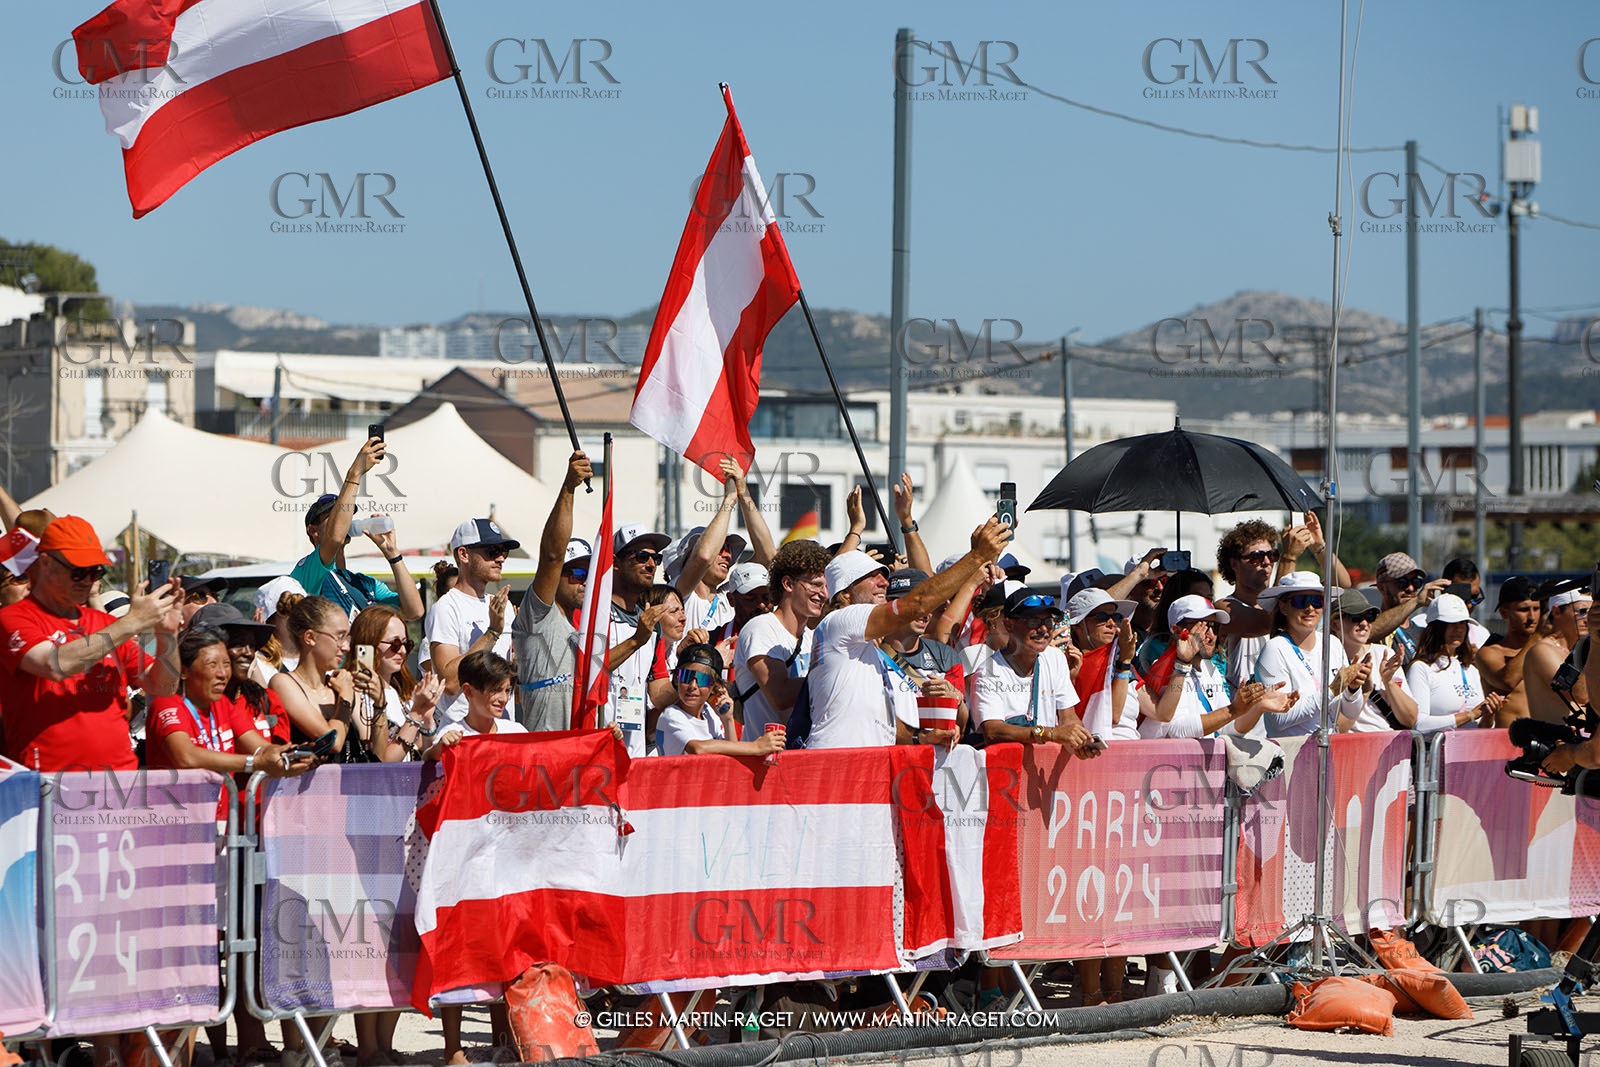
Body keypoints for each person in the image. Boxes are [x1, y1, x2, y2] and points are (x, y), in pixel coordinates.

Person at [0, 515, 182, 771]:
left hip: (118, 781)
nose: (87, 580)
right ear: (46, 564)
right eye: (78, 571)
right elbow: (53, 663)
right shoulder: (13, 617)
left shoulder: (106, 624)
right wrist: (131, 622)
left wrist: (168, 637)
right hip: (48, 785)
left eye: (94, 571)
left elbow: (163, 687)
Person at [421, 649, 519, 1065]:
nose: (502, 697)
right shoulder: (453, 733)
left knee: (504, 948)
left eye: (507, 689)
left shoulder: (516, 730)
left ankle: (504, 1035)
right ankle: (452, 1047)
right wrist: (438, 745)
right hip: (463, 859)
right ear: (468, 691)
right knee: (458, 949)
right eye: (494, 689)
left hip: (508, 858)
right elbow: (426, 758)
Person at [288, 436, 423, 622]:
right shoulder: (309, 570)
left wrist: (393, 554)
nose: (344, 520)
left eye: (346, 515)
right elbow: (334, 538)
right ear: (313, 530)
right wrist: (356, 472)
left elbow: (414, 611)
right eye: (333, 516)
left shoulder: (365, 584)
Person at [511, 451, 591, 731]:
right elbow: (553, 555)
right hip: (542, 756)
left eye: (588, 574)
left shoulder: (582, 626)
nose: (584, 581)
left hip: (578, 755)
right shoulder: (537, 614)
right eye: (577, 573)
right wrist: (569, 488)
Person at [1140, 596, 1290, 739]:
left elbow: (1227, 728)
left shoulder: (1209, 669)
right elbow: (1176, 729)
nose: (1211, 635)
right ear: (1177, 630)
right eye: (1203, 626)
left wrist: (1258, 706)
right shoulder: (1164, 669)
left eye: (1214, 626)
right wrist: (1233, 710)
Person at [971, 585, 1097, 752]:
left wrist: (1079, 741)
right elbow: (993, 731)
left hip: (1044, 768)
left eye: (1048, 622)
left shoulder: (1055, 657)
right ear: (1009, 625)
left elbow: (1068, 718)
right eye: (1033, 621)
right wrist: (1049, 733)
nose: (1043, 629)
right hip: (1006, 771)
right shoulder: (988, 672)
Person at [732, 540, 829, 737]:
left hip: (802, 756)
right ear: (788, 584)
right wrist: (834, 674)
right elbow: (780, 694)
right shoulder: (761, 628)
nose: (824, 594)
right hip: (765, 761)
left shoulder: (813, 637)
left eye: (827, 586)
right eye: (816, 585)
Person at [427, 518, 518, 725]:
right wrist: (492, 633)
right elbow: (448, 682)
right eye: (493, 551)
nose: (501, 558)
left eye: (505, 551)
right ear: (464, 554)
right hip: (462, 734)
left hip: (501, 727)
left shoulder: (500, 604)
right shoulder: (446, 607)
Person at [1253, 572, 1366, 737]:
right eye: (1301, 601)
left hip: (1329, 751)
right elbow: (1279, 717)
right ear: (1284, 607)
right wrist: (1332, 690)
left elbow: (1350, 713)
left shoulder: (1332, 643)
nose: (1310, 608)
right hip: (1292, 755)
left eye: (1317, 601)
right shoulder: (1274, 649)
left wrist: (1353, 689)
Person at [669, 456, 775, 631]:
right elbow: (703, 557)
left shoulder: (730, 595)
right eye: (720, 548)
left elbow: (768, 557)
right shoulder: (678, 594)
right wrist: (728, 501)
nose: (728, 554)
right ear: (688, 557)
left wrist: (743, 492)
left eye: (728, 549)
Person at [607, 522, 674, 752]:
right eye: (642, 556)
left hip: (637, 751)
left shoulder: (651, 623)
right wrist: (637, 640)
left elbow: (658, 691)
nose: (651, 564)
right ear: (616, 562)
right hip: (598, 743)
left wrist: (693, 677)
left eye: (657, 558)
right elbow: (590, 668)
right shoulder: (592, 614)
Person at [348, 603, 443, 762]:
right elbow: (381, 761)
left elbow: (425, 756)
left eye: (406, 644)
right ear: (369, 644)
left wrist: (427, 720)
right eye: (395, 644)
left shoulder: (403, 692)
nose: (403, 651)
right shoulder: (355, 693)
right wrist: (416, 714)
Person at [877, 569, 968, 735]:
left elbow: (961, 726)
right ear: (892, 605)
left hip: (932, 757)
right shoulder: (869, 653)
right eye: (918, 604)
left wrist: (957, 700)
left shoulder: (946, 655)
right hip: (887, 754)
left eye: (930, 604)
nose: (925, 612)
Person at [656, 643, 787, 757]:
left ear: (714, 686)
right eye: (686, 676)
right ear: (676, 679)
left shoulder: (710, 713)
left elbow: (732, 754)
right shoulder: (671, 715)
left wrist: (728, 720)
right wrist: (756, 747)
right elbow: (698, 748)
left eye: (702, 679)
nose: (693, 686)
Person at [269, 595, 357, 752]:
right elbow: (333, 743)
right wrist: (346, 698)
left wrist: (378, 705)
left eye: (347, 638)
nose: (346, 647)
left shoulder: (338, 686)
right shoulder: (283, 683)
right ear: (310, 637)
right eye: (340, 636)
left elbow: (378, 753)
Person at [1405, 595, 1502, 731]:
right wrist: (1470, 715)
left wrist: (1488, 715)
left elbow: (1481, 727)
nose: (1459, 629)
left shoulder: (1471, 669)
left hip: (1470, 750)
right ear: (1436, 627)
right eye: (1451, 623)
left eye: (1462, 623)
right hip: (1434, 751)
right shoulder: (1420, 668)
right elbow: (1419, 724)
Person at [1212, 521, 1287, 692]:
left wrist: (1320, 548)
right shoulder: (1225, 608)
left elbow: (1343, 583)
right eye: (1256, 557)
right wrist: (1289, 558)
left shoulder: (1285, 606)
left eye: (1272, 555)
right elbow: (1269, 622)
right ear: (1234, 564)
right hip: (1243, 714)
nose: (1267, 562)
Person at [1330, 589, 1417, 731]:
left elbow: (1410, 719)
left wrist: (1388, 682)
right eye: (1356, 617)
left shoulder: (1384, 653)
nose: (1364, 623)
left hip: (1389, 746)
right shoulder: (1326, 659)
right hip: (1350, 748)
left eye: (1369, 616)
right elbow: (1340, 727)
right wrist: (1363, 692)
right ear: (1335, 624)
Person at [1065, 588, 1140, 743]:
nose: (1111, 623)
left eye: (1116, 617)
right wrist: (1125, 662)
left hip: (1128, 755)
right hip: (1097, 760)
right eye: (1101, 617)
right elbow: (1113, 715)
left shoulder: (1117, 662)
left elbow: (1161, 713)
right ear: (1077, 625)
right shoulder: (1071, 664)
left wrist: (1182, 662)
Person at [1475, 576, 1542, 728]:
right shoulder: (1489, 653)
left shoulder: (1546, 651)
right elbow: (1508, 681)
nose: (1532, 617)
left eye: (1536, 609)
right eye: (1523, 609)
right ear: (1504, 613)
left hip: (1545, 746)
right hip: (1506, 746)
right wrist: (1538, 636)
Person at [1524, 581, 1592, 725]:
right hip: (1557, 742)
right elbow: (1580, 694)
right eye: (1581, 611)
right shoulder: (1542, 651)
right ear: (1556, 612)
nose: (1588, 619)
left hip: (1584, 741)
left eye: (1591, 613)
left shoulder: (1581, 649)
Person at [1370, 551, 1447, 650]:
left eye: (1416, 582)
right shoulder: (1370, 626)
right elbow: (1371, 631)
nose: (1410, 588)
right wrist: (1417, 601)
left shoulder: (1423, 634)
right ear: (1382, 588)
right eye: (1402, 582)